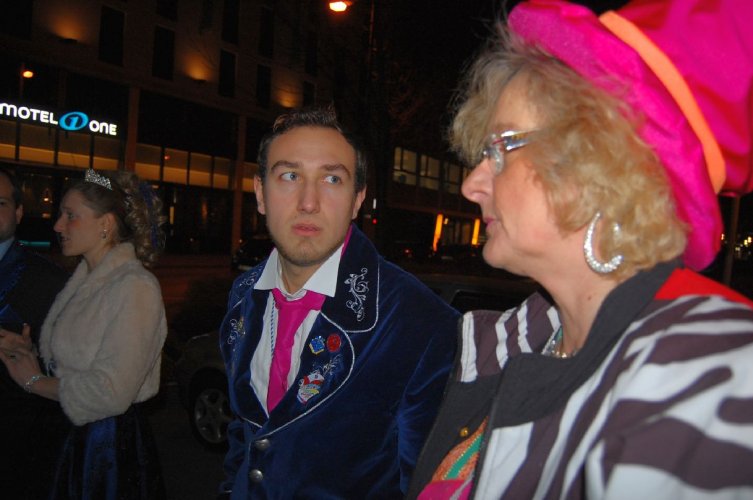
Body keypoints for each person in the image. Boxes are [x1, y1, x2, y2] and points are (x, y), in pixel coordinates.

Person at [407, 0, 753, 498]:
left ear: (598, 165)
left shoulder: (706, 372)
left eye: (502, 149)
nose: (472, 185)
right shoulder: (524, 339)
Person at [218, 106, 460, 498]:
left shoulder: (420, 320)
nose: (308, 202)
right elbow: (244, 433)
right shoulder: (244, 293)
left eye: (332, 179)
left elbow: (423, 482)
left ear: (357, 200)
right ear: (260, 193)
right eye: (290, 176)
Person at [0, 167, 169, 499]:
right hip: (73, 435)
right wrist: (31, 355)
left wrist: (33, 381)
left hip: (105, 446)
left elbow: (110, 392)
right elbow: (76, 361)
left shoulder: (134, 286)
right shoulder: (84, 281)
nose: (57, 225)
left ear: (106, 224)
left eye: (70, 216)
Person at [0, 167, 70, 499]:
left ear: (17, 212)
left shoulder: (50, 281)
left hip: (16, 451)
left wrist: (33, 360)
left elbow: (74, 371)